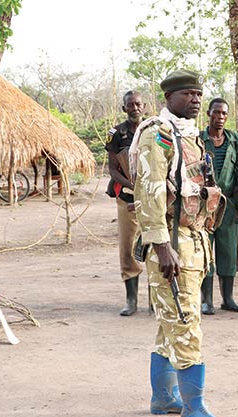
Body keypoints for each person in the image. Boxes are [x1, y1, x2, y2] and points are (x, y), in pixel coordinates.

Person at [131, 69, 227, 417]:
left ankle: (164, 396)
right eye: (188, 94)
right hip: (171, 245)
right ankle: (193, 408)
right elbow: (150, 192)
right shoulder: (159, 135)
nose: (197, 100)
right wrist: (161, 245)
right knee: (186, 325)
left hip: (193, 240)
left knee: (169, 323)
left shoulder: (190, 135)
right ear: (169, 98)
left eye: (199, 94)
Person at [199, 98, 238, 315]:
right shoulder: (198, 139)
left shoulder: (234, 140)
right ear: (208, 113)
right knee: (204, 250)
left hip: (228, 204)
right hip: (203, 204)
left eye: (224, 114)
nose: (220, 118)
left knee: (228, 250)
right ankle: (206, 300)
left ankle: (228, 299)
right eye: (216, 113)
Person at [106, 90, 146, 316]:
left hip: (152, 197)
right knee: (128, 246)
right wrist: (132, 185)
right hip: (127, 196)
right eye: (130, 105)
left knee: (155, 242)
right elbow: (112, 168)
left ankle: (157, 299)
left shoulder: (152, 130)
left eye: (138, 104)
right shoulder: (117, 133)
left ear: (145, 106)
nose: (135, 108)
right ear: (124, 108)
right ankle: (131, 300)